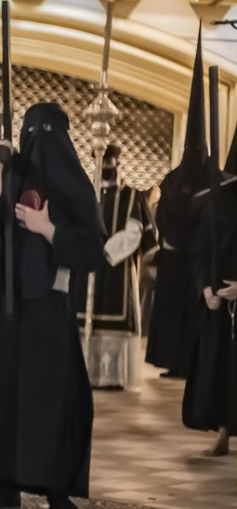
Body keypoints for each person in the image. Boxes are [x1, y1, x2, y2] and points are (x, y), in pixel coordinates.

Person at [0, 103, 106, 509]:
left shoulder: (74, 186)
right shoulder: (10, 175)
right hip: (2, 300)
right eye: (33, 132)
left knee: (50, 398)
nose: (39, 143)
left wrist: (48, 229)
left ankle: (56, 488)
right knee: (1, 393)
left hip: (48, 302)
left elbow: (91, 250)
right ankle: (6, 482)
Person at [73, 144, 154, 387]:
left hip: (115, 267)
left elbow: (134, 231)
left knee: (113, 312)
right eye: (103, 162)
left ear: (117, 163)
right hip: (86, 266)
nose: (107, 166)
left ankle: (112, 377)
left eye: (110, 162)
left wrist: (106, 251)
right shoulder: (85, 193)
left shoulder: (130, 196)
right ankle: (84, 372)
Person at [148, 46, 207, 380]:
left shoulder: (211, 180)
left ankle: (189, 362)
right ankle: (174, 360)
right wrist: (171, 238)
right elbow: (161, 215)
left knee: (191, 312)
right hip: (178, 259)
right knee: (173, 312)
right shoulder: (172, 180)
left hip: (195, 261)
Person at [185, 119, 237, 457]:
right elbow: (201, 249)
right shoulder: (220, 201)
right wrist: (205, 287)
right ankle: (223, 432)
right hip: (220, 303)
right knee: (222, 370)